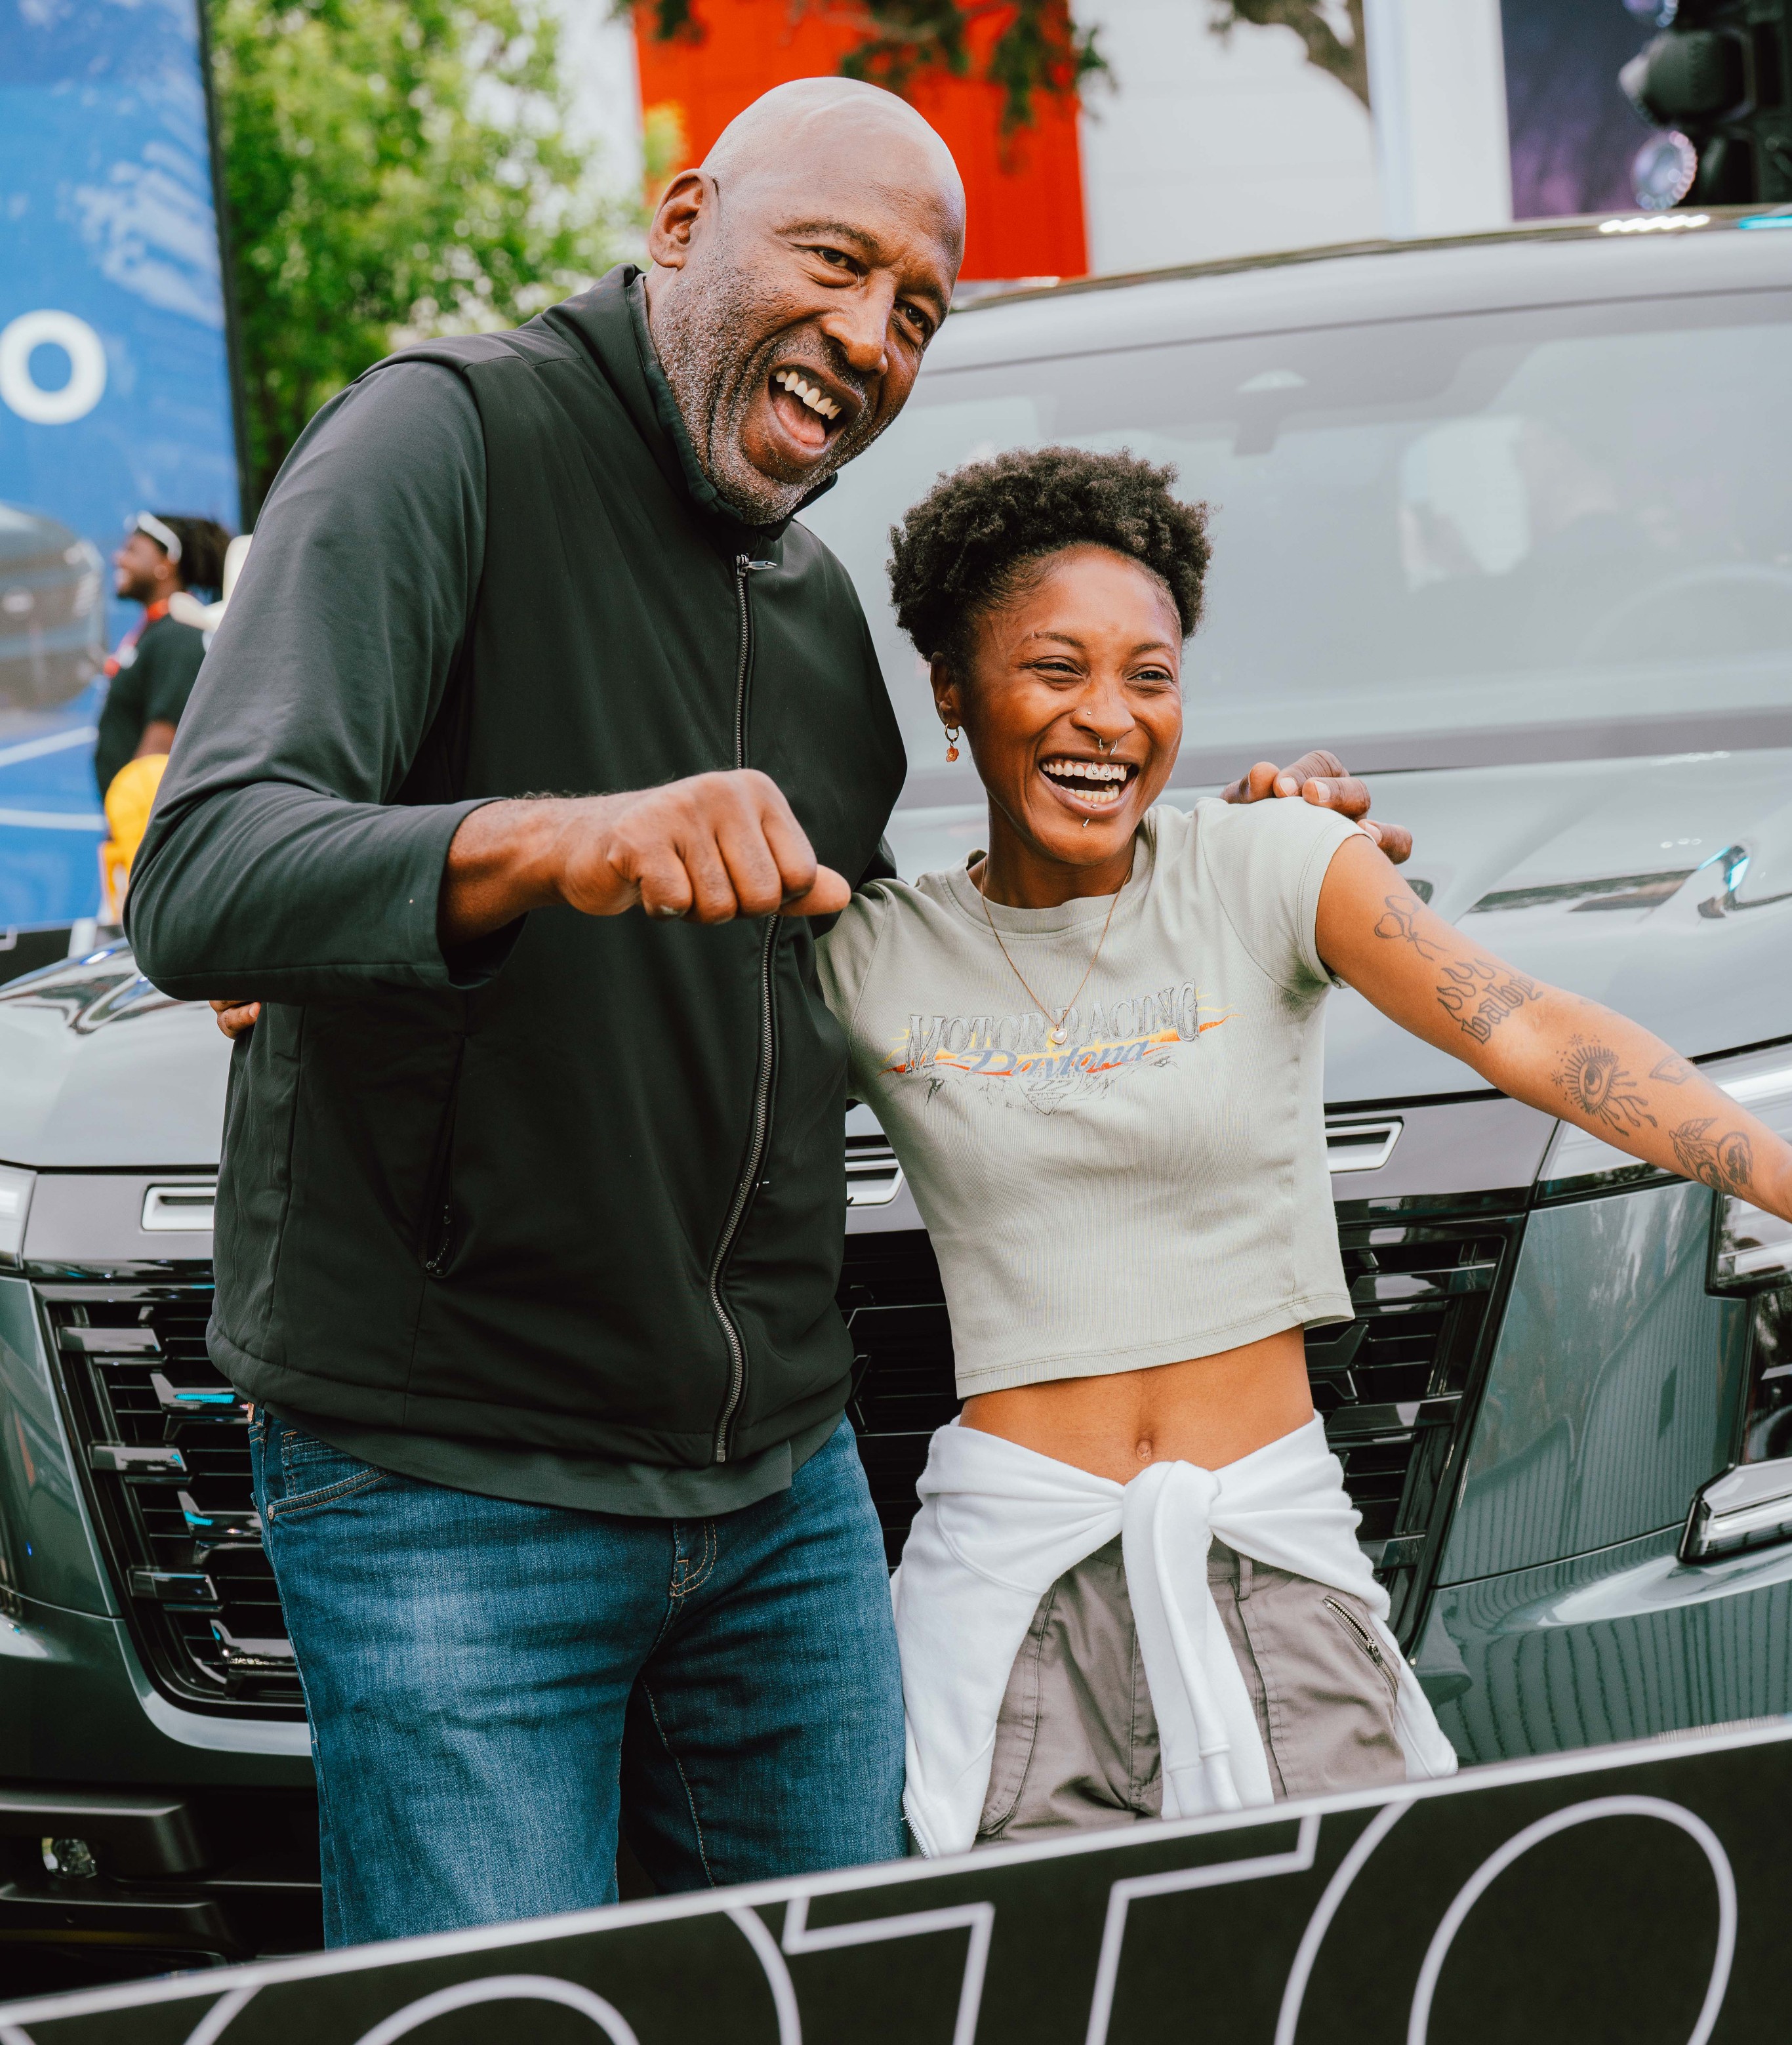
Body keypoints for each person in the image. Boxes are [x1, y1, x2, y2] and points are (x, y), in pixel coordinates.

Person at [132, 81, 1403, 1943]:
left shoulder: (821, 637)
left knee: (856, 1998)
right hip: (450, 1481)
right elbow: (206, 872)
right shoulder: (444, 439)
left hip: (781, 1491)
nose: (874, 335)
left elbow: (933, 959)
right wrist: (549, 843)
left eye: (917, 311)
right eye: (838, 261)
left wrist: (1242, 861)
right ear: (679, 223)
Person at [813, 445, 1792, 1856]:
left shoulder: (1268, 864)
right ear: (953, 696)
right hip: (1017, 1587)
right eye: (1055, 668)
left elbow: (1523, 1027)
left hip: (1272, 1546)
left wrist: (1777, 1174)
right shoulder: (873, 955)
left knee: (1353, 1943)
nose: (1108, 717)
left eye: (1150, 676)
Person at [95, 512, 230, 798]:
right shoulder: (159, 630)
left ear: (166, 564)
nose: (118, 559)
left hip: (141, 822)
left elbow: (160, 750)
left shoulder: (179, 636)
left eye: (132, 550)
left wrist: (133, 819)